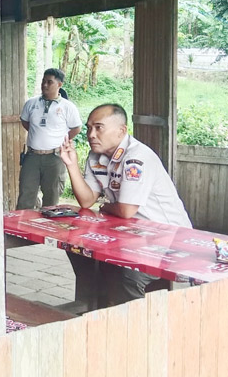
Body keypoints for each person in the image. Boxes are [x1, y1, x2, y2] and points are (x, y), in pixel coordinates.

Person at [59, 103, 192, 305]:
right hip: (132, 234)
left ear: (121, 131)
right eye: (88, 128)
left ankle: (131, 326)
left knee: (125, 274)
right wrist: (71, 165)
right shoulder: (96, 155)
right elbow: (87, 200)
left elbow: (126, 210)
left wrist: (105, 207)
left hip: (168, 237)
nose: (91, 134)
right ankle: (95, 310)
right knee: (80, 250)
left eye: (98, 127)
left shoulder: (136, 157)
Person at [17, 68, 82, 209]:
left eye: (49, 82)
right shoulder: (31, 103)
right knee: (25, 195)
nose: (44, 85)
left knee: (51, 197)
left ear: (59, 84)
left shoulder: (68, 107)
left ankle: (48, 229)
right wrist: (39, 134)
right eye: (43, 81)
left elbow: (76, 128)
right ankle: (21, 228)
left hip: (55, 157)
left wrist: (61, 140)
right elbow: (25, 122)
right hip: (32, 156)